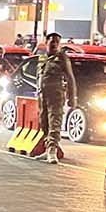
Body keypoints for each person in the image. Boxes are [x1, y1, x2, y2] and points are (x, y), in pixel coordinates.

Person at [37, 32, 78, 164]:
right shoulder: (42, 57)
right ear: (46, 42)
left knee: (54, 121)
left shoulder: (62, 58)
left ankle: (52, 150)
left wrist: (72, 97)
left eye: (57, 42)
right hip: (42, 95)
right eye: (52, 41)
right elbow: (39, 76)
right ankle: (47, 148)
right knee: (44, 122)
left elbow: (70, 78)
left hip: (56, 94)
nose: (54, 44)